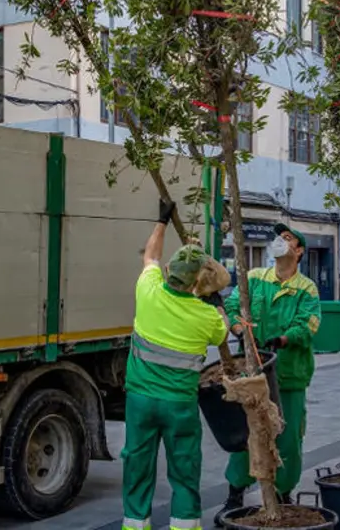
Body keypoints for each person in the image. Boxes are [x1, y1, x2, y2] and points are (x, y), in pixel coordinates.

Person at [121, 199, 230, 530]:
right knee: (184, 469)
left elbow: (150, 256)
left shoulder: (148, 290)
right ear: (197, 283)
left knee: (137, 464)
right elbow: (223, 330)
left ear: (169, 272)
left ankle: (134, 524)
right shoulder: (206, 317)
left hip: (140, 401)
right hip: (180, 405)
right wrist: (213, 299)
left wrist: (162, 221)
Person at [219, 223, 322, 517]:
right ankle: (235, 492)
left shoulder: (307, 288)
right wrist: (239, 329)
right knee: (247, 435)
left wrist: (283, 339)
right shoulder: (254, 278)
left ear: (299, 251)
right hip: (252, 375)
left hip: (289, 376)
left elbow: (309, 325)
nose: (280, 241)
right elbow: (234, 304)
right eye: (279, 237)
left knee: (288, 439)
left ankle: (282, 493)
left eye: (288, 238)